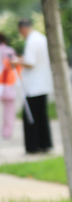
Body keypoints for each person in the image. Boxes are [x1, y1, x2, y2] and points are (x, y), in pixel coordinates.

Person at [16, 19, 52, 153]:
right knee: (42, 116)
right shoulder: (42, 38)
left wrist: (17, 62)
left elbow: (30, 62)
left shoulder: (31, 41)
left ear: (23, 29)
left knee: (31, 117)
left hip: (33, 86)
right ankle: (45, 143)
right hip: (43, 83)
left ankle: (33, 146)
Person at [0, 34, 18, 140]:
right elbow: (15, 65)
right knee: (9, 110)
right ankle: (7, 132)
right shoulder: (9, 51)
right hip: (7, 83)